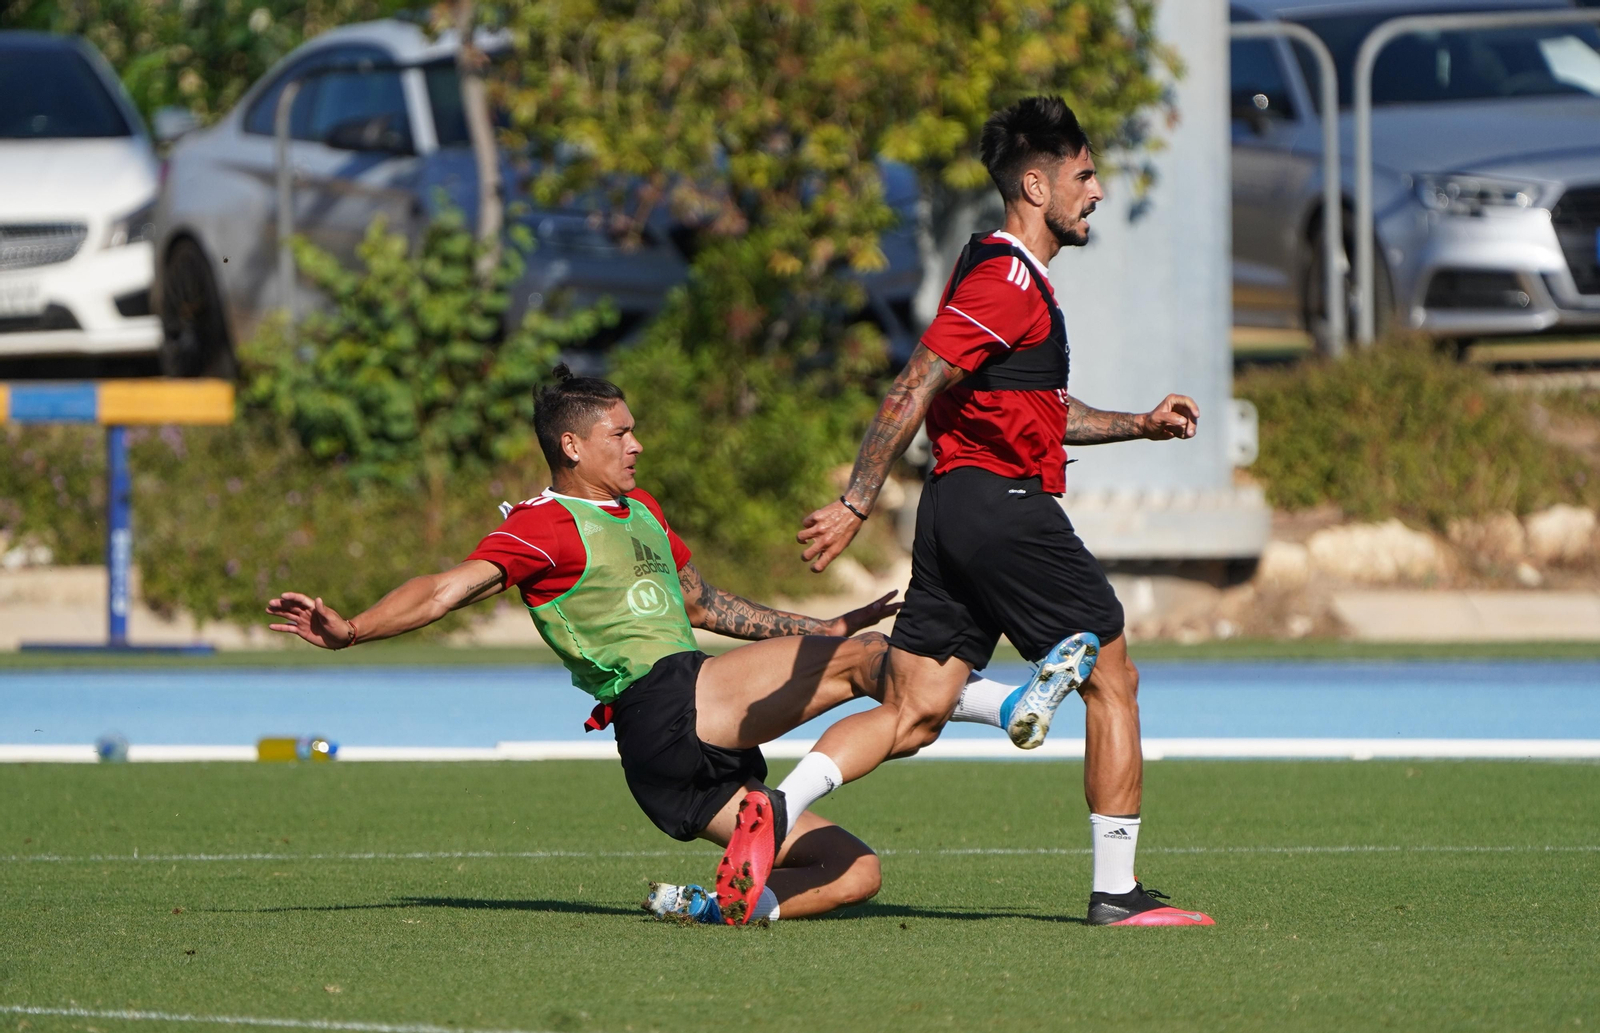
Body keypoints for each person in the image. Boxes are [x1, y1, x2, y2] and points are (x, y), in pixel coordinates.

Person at [266, 366, 1083, 925]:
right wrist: (353, 630)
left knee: (856, 872)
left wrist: (817, 629)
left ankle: (724, 903)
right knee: (875, 662)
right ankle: (1010, 702)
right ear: (573, 447)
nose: (637, 444)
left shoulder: (643, 510)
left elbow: (709, 605)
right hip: (663, 706)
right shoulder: (543, 524)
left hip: (683, 759)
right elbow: (447, 587)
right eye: (621, 433)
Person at [790, 96, 1215, 927]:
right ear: (1035, 182)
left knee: (915, 706)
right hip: (1001, 507)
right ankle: (1117, 892)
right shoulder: (1007, 278)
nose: (1095, 191)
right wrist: (854, 500)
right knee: (1111, 674)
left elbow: (1037, 411)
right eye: (1083, 176)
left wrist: (1140, 424)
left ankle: (775, 811)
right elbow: (916, 382)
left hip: (955, 508)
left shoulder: (1004, 274)